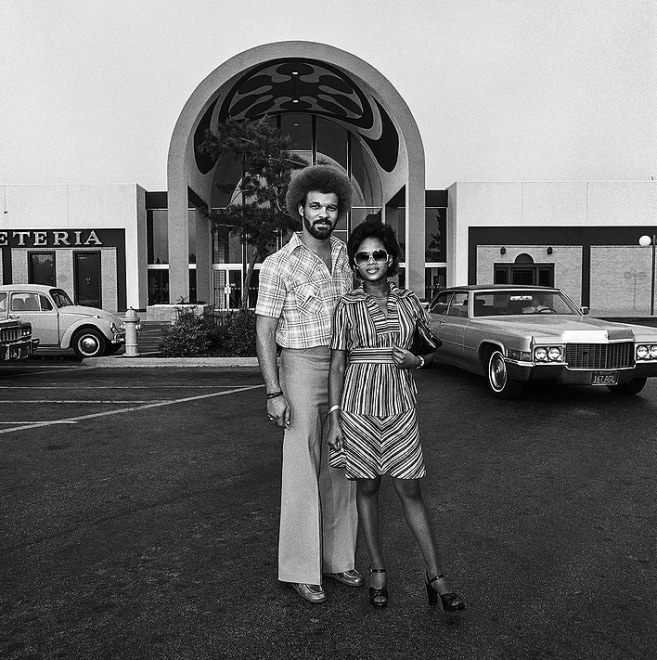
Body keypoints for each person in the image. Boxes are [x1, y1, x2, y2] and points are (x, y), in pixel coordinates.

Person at [326, 219, 465, 612]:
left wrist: (417, 360)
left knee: (410, 490)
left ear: (391, 258)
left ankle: (436, 575)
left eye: (378, 255)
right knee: (367, 489)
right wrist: (335, 417)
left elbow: (432, 349)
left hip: (401, 406)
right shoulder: (346, 305)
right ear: (354, 263)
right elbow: (337, 365)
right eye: (362, 256)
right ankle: (378, 572)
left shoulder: (410, 302)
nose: (371, 262)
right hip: (357, 407)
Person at [255, 164, 363, 604]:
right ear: (300, 208)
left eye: (331, 207)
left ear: (339, 212)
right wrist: (273, 391)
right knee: (301, 466)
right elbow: (264, 332)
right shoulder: (277, 265)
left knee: (342, 464)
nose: (323, 213)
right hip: (299, 366)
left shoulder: (343, 257)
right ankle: (301, 567)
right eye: (315, 206)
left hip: (344, 367)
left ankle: (339, 560)